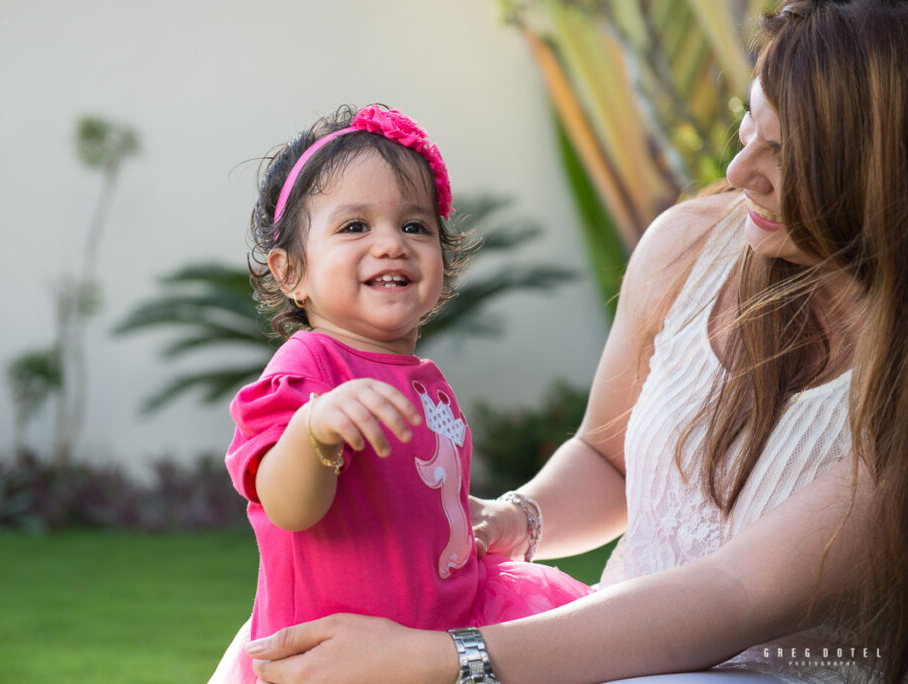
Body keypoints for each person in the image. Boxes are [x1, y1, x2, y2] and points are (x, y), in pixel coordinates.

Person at [242, 1, 908, 682]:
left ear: (879, 171)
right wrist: (516, 519)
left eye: (787, 153)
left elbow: (734, 594)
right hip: (594, 651)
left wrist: (443, 657)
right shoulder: (691, 247)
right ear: (289, 271)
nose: (739, 174)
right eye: (748, 126)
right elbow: (606, 456)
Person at [208, 104, 591, 684]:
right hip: (338, 660)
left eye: (415, 226)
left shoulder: (423, 377)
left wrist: (469, 526)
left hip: (431, 642)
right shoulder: (308, 366)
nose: (391, 244)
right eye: (355, 226)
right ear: (289, 272)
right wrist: (314, 430)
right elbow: (286, 506)